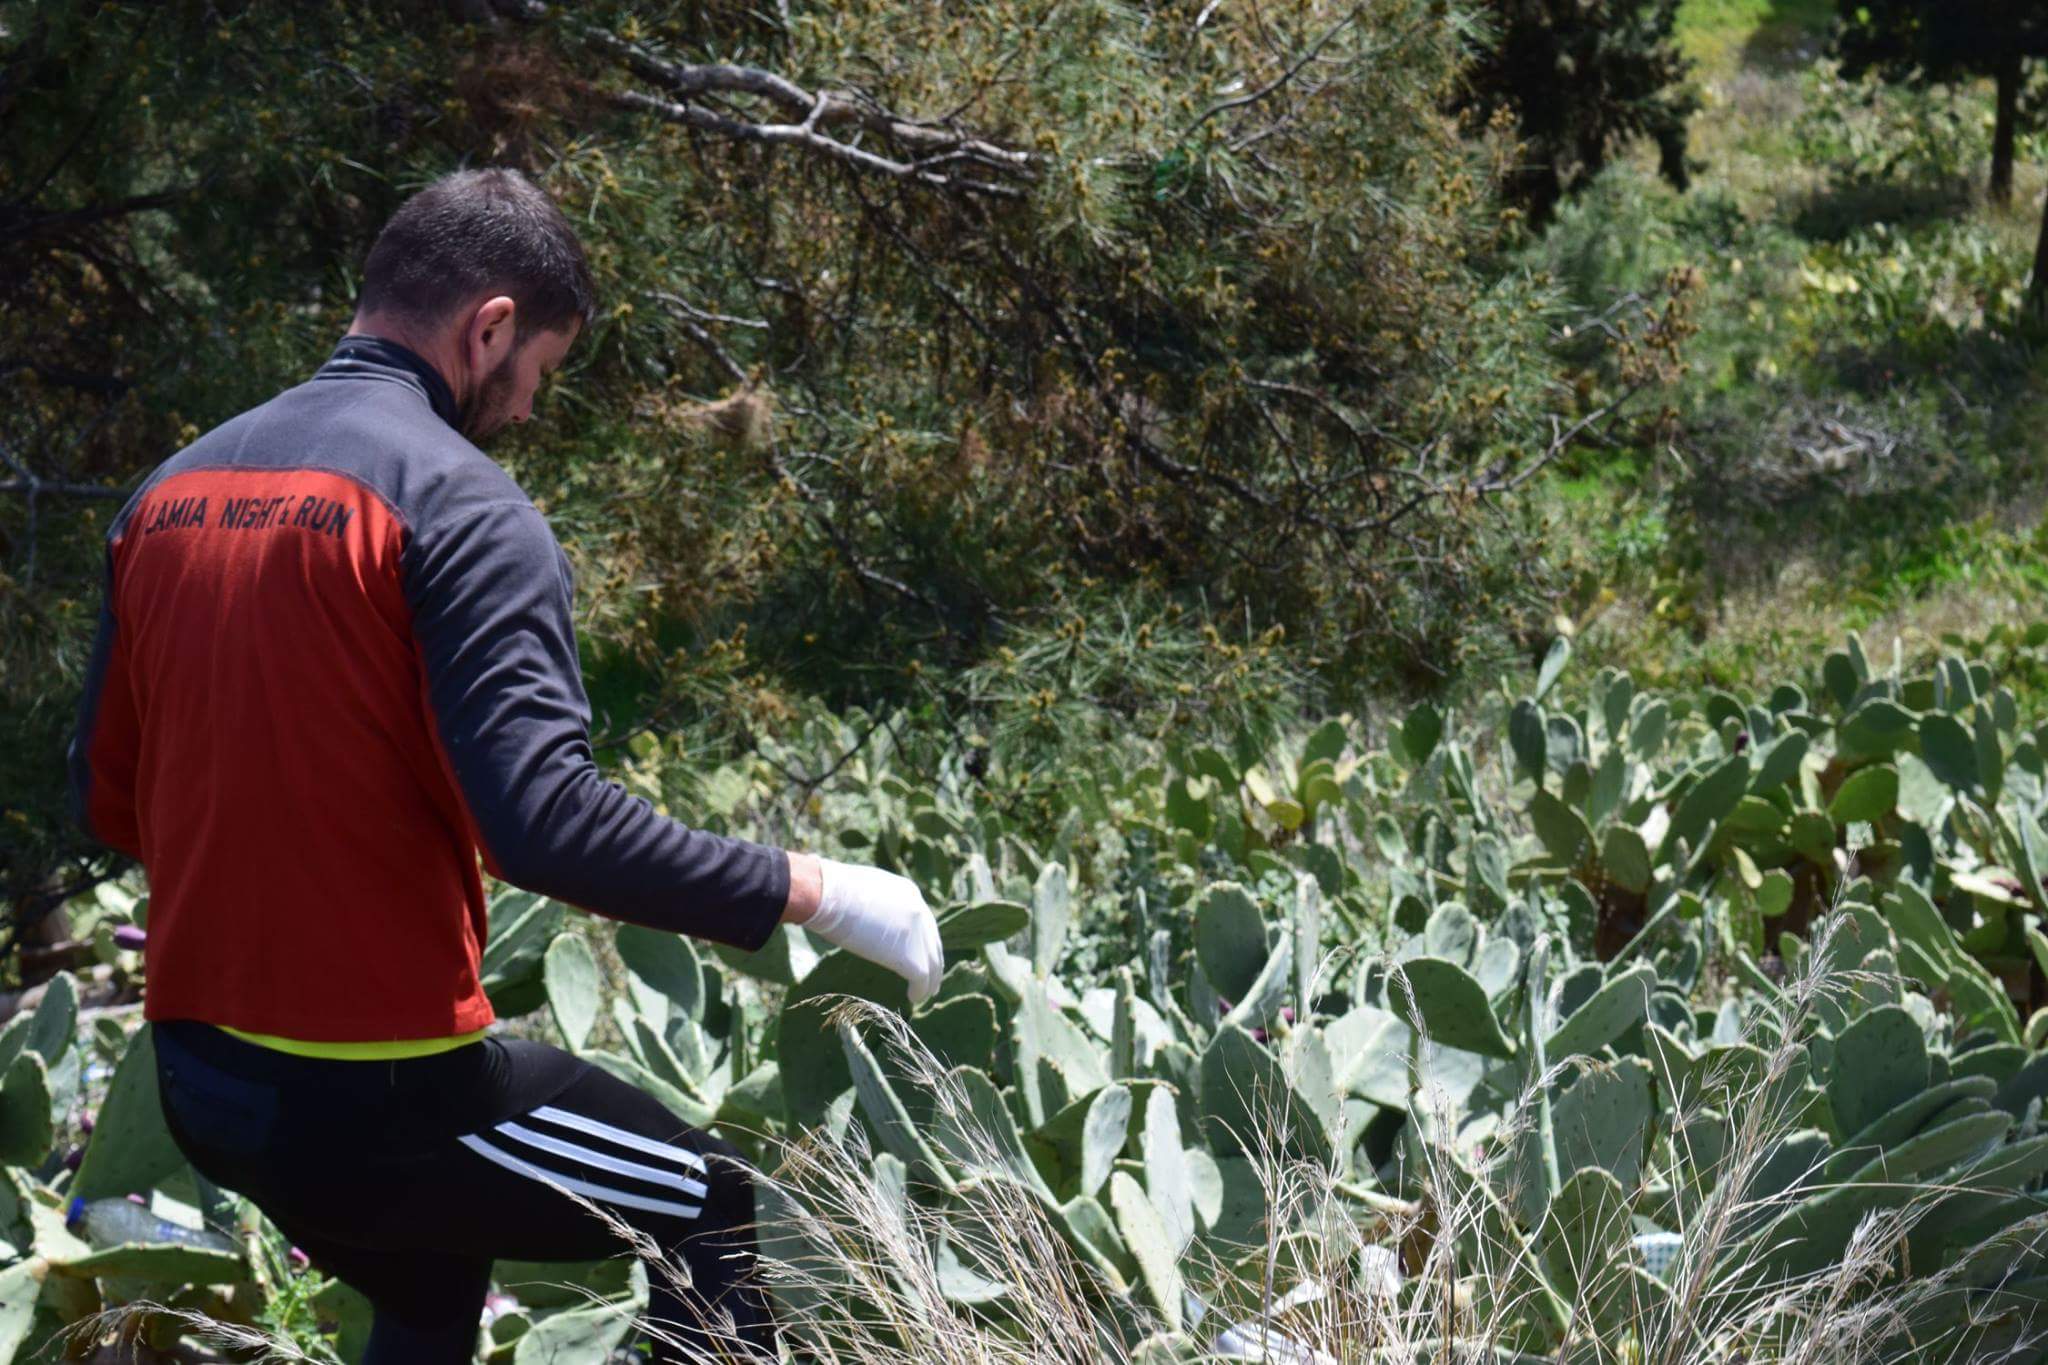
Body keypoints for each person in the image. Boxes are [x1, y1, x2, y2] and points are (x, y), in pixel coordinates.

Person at [65, 166, 944, 1363]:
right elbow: (547, 825)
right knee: (718, 1214)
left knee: (428, 1298)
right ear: (488, 327)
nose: (527, 410)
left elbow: (108, 800)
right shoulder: (462, 508)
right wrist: (822, 893)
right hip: (382, 1105)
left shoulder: (169, 494)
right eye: (539, 370)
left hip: (202, 1082)